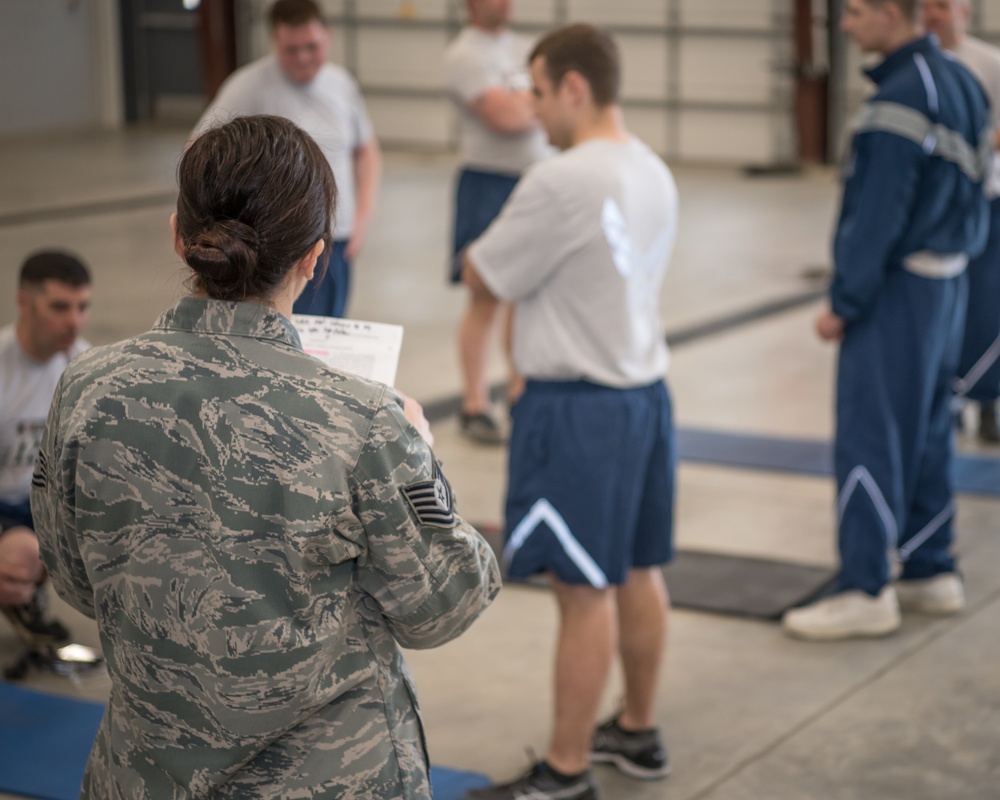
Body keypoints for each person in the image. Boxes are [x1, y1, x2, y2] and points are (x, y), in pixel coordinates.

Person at [32, 115, 500, 799]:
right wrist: (418, 456)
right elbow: (447, 602)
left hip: (143, 776)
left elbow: (75, 577)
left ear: (177, 236)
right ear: (314, 257)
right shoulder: (363, 421)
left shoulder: (86, 389)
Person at [462, 24, 678, 800]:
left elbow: (480, 272)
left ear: (575, 88)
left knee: (581, 592)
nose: (532, 105)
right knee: (640, 570)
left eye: (539, 89)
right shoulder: (652, 169)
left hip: (579, 410)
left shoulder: (562, 180)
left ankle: (565, 771)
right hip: (644, 396)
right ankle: (639, 731)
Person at [782, 0, 991, 641]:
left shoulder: (899, 98)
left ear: (892, 13)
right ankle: (931, 569)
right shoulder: (959, 79)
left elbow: (877, 216)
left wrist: (846, 301)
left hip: (899, 290)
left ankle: (866, 586)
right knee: (929, 426)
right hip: (949, 279)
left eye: (855, 12)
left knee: (870, 435)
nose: (844, 25)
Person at [193, 0, 381, 319]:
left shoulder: (341, 84)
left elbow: (366, 151)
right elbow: (199, 151)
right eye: (291, 50)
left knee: (330, 333)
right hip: (281, 246)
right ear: (273, 43)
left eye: (312, 46)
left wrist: (362, 218)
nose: (303, 57)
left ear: (328, 36)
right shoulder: (248, 87)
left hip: (338, 240)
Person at [445, 0, 550, 444]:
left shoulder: (524, 47)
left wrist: (526, 103)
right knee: (485, 296)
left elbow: (540, 107)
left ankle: (518, 391)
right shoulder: (464, 55)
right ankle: (474, 406)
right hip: (488, 184)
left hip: (533, 181)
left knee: (526, 295)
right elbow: (506, 117)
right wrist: (533, 103)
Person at [0, 251, 91, 645]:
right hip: (5, 505)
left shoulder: (84, 364)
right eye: (59, 307)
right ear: (24, 302)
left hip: (44, 501)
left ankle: (29, 593)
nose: (74, 321)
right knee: (23, 553)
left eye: (82, 307)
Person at [922, 0, 1000, 443]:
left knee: (986, 307)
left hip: (987, 201)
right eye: (927, 7)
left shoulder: (989, 64)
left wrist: (963, 136)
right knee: (941, 304)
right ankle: (945, 399)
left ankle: (986, 400)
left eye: (942, 6)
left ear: (964, 12)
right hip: (937, 209)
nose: (934, 15)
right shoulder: (918, 67)